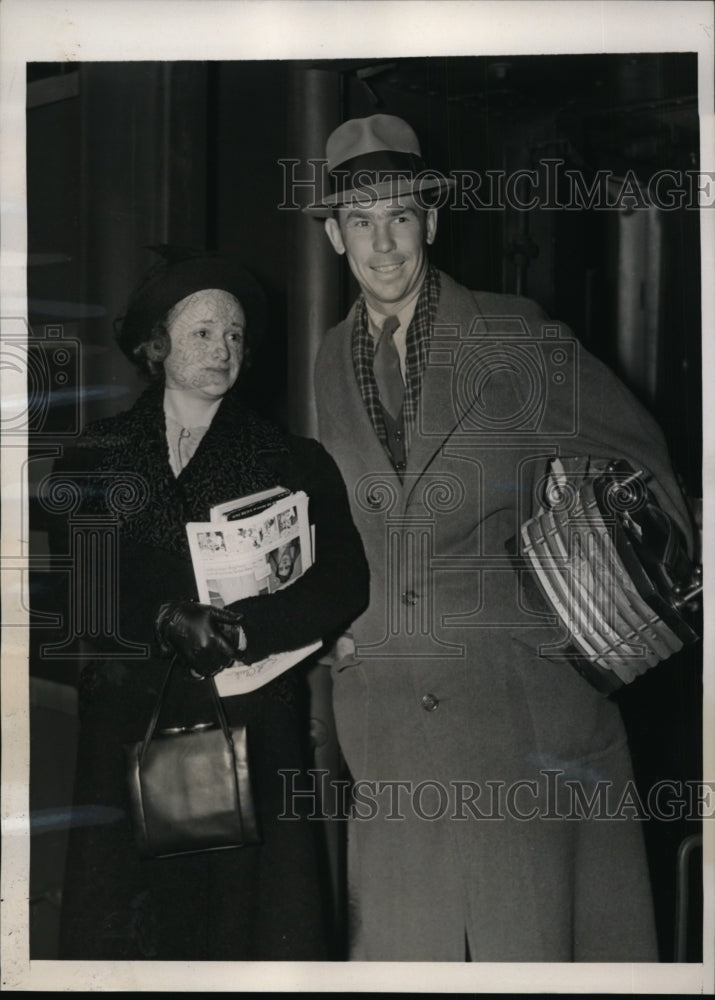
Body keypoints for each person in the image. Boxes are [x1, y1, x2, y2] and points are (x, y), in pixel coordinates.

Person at [303, 115, 695, 961]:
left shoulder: (516, 337)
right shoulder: (328, 361)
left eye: (400, 216)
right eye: (361, 222)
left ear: (431, 224)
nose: (383, 244)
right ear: (334, 237)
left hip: (518, 720)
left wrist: (592, 614)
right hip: (388, 729)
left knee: (527, 953)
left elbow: (650, 467)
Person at [51, 249, 368, 960]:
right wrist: (164, 618)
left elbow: (343, 582)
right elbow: (76, 590)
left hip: (252, 736)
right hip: (132, 734)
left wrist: (247, 628)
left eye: (233, 334)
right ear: (156, 344)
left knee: (248, 937)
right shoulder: (95, 458)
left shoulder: (291, 460)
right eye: (201, 332)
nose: (221, 348)